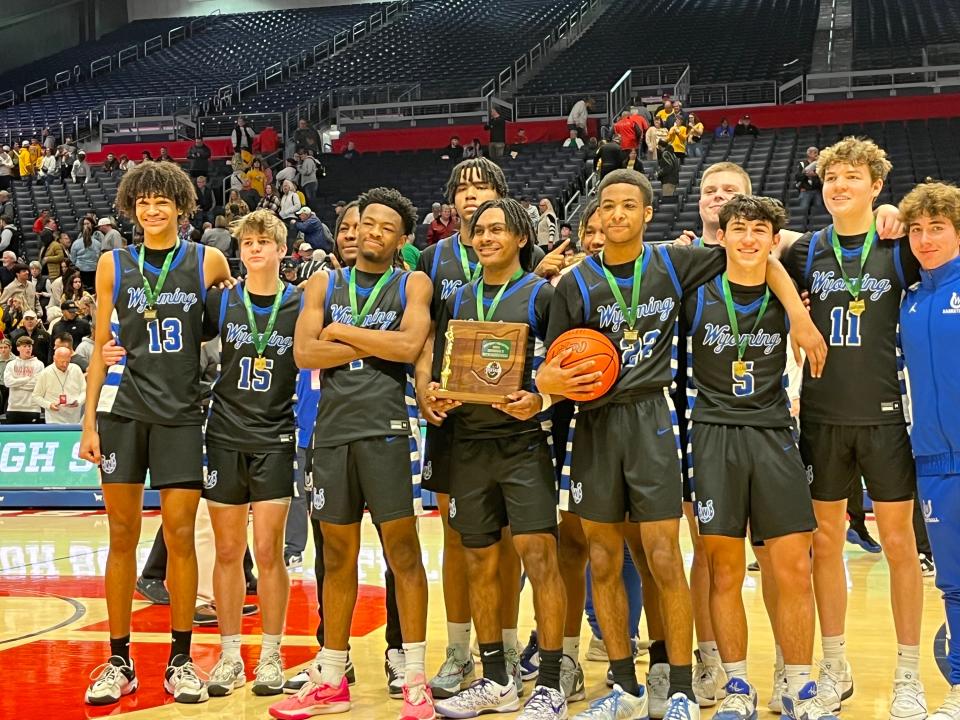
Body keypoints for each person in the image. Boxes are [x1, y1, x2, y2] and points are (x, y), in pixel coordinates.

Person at [535, 169, 826, 720]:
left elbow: (758, 258)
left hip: (653, 418)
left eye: (629, 205)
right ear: (595, 216)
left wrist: (797, 316)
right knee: (602, 556)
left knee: (665, 555)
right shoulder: (572, 284)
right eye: (608, 206)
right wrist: (546, 384)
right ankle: (623, 686)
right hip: (594, 425)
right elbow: (554, 364)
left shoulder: (675, 262)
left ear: (649, 214)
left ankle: (683, 689)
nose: (616, 214)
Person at [271, 187, 435, 720]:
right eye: (367, 223)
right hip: (332, 434)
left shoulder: (414, 282)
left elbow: (410, 347)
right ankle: (333, 675)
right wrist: (372, 339)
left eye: (386, 227)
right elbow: (303, 352)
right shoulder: (323, 280)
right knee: (335, 558)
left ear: (401, 239)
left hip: (389, 430)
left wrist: (341, 331)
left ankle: (414, 677)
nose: (372, 233)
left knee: (402, 555)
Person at [779, 137, 926, 719]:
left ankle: (908, 674)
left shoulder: (899, 246)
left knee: (899, 546)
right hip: (820, 417)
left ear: (876, 185)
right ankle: (834, 666)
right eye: (831, 176)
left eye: (852, 177)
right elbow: (758, 262)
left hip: (886, 418)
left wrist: (903, 216)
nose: (839, 185)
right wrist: (796, 314)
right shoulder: (807, 249)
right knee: (825, 545)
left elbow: (945, 228)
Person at [79, 160, 231, 706]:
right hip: (123, 413)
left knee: (182, 537)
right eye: (142, 201)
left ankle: (181, 660)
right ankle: (119, 659)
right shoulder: (112, 265)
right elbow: (100, 348)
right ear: (131, 207)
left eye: (162, 200)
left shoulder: (207, 260)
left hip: (183, 415)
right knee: (121, 537)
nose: (152, 208)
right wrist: (88, 419)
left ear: (182, 205)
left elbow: (229, 314)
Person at [425, 197, 569, 719]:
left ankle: (550, 682)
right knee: (478, 562)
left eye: (497, 230)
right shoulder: (458, 297)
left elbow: (565, 367)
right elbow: (442, 363)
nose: (486, 238)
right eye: (479, 231)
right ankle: (496, 680)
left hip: (523, 445)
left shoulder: (542, 295)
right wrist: (434, 393)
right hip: (468, 444)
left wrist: (540, 397)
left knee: (539, 557)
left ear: (522, 239)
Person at [685, 195, 822, 719]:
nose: (747, 239)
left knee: (792, 567)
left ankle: (801, 686)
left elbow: (782, 276)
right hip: (714, 435)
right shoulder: (696, 292)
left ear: (772, 240)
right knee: (723, 569)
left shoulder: (786, 290)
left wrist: (797, 315)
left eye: (758, 231)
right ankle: (738, 687)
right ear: (721, 236)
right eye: (738, 229)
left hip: (772, 432)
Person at [414, 159, 523, 702]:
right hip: (454, 418)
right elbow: (425, 336)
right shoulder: (434, 259)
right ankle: (459, 651)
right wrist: (421, 386)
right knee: (459, 539)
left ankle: (504, 646)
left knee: (508, 541)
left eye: (482, 188)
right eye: (462, 189)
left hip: (508, 419)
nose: (471, 196)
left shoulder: (520, 259)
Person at [897, 181, 960, 720]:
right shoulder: (910, 300)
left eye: (936, 228)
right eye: (916, 230)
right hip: (935, 462)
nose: (924, 239)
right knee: (955, 583)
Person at [32, 345, 85, 423]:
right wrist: (49, 405)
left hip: (74, 419)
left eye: (67, 362)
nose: (65, 365)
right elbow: (36, 396)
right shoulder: (45, 373)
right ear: (54, 359)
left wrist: (78, 401)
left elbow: (85, 391)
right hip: (53, 420)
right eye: (62, 362)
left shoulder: (76, 369)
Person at [2, 336, 43, 423]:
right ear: (18, 348)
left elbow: (36, 384)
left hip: (33, 408)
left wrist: (16, 383)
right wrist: (27, 379)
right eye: (24, 346)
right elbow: (8, 382)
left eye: (29, 346)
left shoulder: (39, 364)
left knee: (32, 436)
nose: (28, 349)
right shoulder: (11, 364)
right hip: (13, 408)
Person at [71, 218, 102, 290]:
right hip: (94, 271)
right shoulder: (98, 243)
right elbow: (99, 257)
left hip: (80, 271)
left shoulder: (76, 243)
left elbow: (73, 259)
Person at [796, 146, 823, 218]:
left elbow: (822, 177)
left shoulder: (819, 165)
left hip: (816, 190)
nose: (817, 155)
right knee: (802, 211)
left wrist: (814, 175)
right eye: (815, 153)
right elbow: (798, 177)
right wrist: (805, 174)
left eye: (817, 153)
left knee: (819, 211)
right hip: (805, 191)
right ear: (809, 153)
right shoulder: (802, 164)